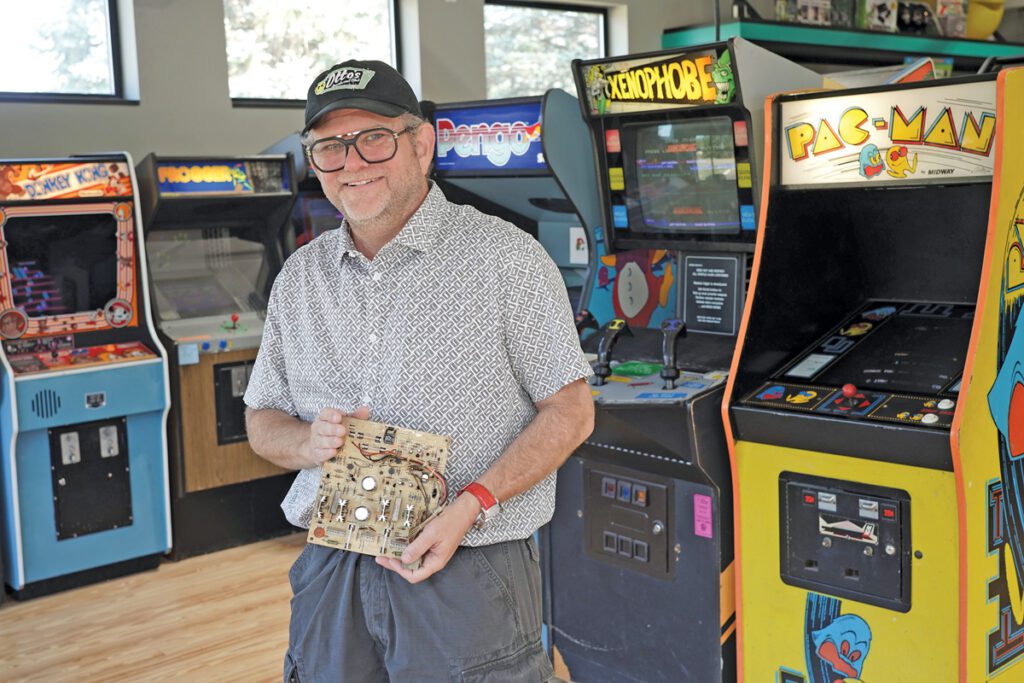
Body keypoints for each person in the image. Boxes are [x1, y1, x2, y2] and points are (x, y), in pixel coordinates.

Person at [243, 59, 595, 683]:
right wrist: (307, 442)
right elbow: (262, 417)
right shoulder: (300, 277)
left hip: (469, 564)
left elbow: (571, 411)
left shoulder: (506, 259)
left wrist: (473, 503)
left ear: (423, 144)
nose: (352, 162)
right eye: (329, 147)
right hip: (333, 563)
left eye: (374, 138)